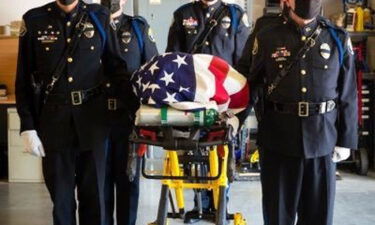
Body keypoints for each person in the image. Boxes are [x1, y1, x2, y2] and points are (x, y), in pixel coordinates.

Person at [245, 0, 358, 224]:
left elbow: (347, 93)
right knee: (278, 215)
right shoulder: (267, 35)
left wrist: (346, 140)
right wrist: (235, 117)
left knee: (319, 216)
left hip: (322, 140)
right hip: (279, 140)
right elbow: (251, 83)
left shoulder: (337, 37)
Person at [15, 1, 126, 225]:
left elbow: (117, 69)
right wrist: (27, 125)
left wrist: (133, 110)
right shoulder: (34, 20)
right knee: (62, 201)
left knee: (95, 199)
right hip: (53, 122)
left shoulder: (99, 16)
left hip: (93, 120)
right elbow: (24, 79)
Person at [166, 0, 250, 222]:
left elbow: (243, 61)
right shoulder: (182, 14)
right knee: (195, 153)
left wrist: (238, 104)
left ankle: (220, 204)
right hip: (194, 99)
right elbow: (172, 59)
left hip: (225, 100)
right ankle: (199, 206)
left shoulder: (235, 15)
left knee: (224, 152)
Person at [100, 0, 158, 225]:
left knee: (128, 181)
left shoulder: (137, 28)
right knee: (98, 183)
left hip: (128, 118)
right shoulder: (87, 25)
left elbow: (153, 70)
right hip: (96, 118)